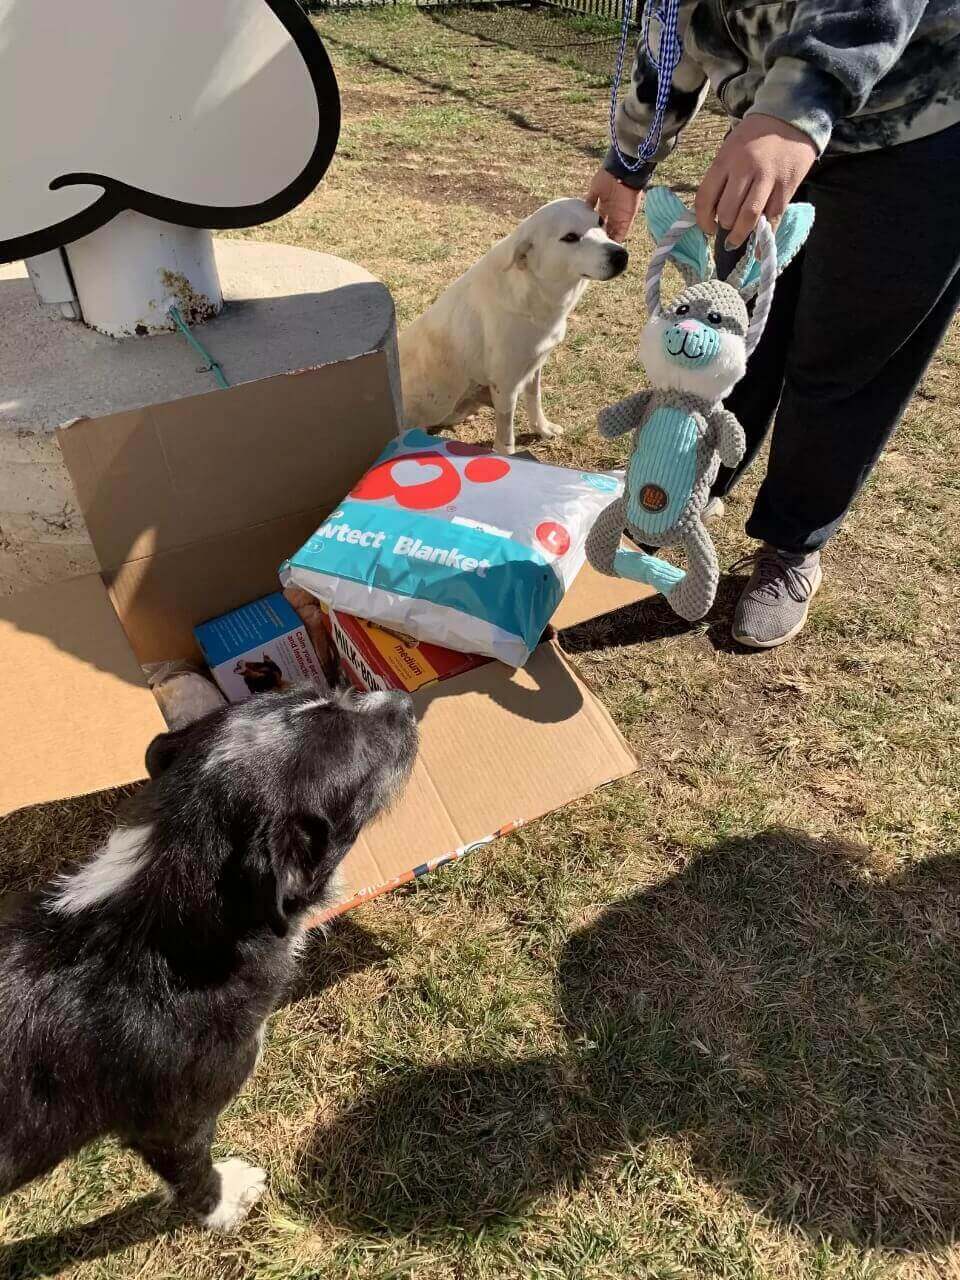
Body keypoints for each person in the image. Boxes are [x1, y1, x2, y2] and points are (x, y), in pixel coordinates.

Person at [586, 1, 960, 647]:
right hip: (770, 127)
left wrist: (796, 107)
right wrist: (630, 159)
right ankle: (688, 489)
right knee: (732, 336)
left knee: (843, 364)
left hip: (916, 125)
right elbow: (672, 24)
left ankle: (792, 543)